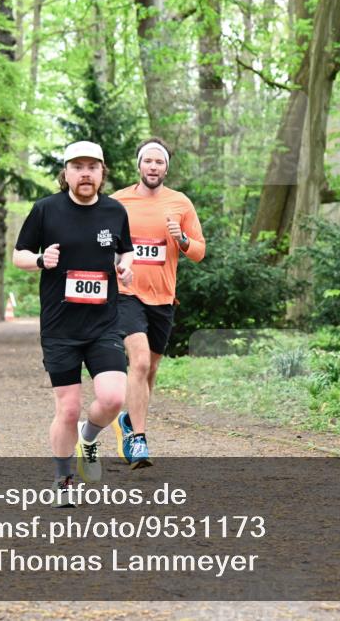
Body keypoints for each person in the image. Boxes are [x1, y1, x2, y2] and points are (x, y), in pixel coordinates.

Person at [12, 140, 134, 502]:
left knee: (113, 399)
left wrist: (126, 266)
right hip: (60, 327)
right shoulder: (45, 210)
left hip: (103, 324)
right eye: (77, 167)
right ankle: (64, 479)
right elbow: (18, 255)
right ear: (65, 173)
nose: (85, 174)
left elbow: (126, 251)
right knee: (67, 409)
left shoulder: (115, 211)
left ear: (102, 173)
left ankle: (89, 436)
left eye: (92, 167)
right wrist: (39, 260)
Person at [109, 138, 205, 468]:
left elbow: (199, 251)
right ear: (139, 165)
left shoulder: (180, 203)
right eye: (147, 161)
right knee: (138, 363)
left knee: (149, 371)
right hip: (126, 294)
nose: (153, 167)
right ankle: (138, 440)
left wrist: (181, 238)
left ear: (166, 168)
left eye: (159, 162)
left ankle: (128, 420)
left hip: (163, 297)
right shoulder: (118, 201)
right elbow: (99, 240)